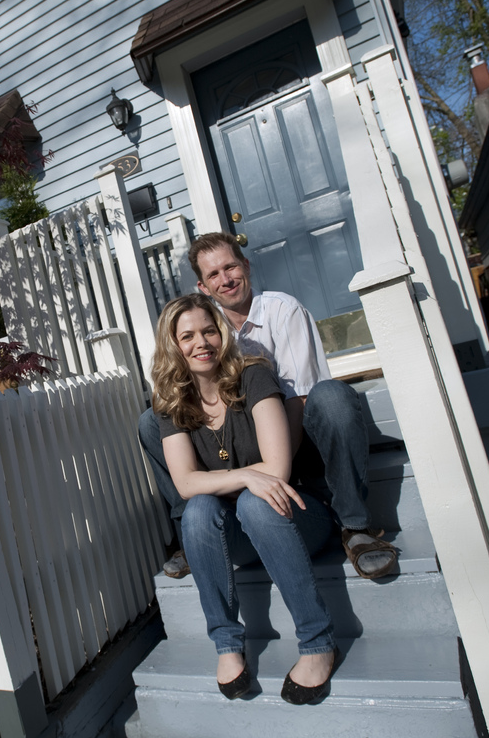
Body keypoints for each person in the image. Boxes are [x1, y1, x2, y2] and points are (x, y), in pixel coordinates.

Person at [139, 232, 397, 580]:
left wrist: (274, 467)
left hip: (301, 437)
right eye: (213, 274)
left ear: (246, 265)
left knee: (332, 397)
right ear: (202, 286)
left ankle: (354, 526)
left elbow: (300, 399)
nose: (225, 279)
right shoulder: (205, 325)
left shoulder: (282, 309)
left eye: (231, 267)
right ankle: (195, 530)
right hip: (239, 449)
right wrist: (243, 474)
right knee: (152, 421)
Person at [152, 294, 337, 703]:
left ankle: (318, 642)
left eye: (209, 330)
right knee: (198, 511)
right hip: (239, 534)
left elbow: (278, 470)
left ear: (223, 333)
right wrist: (245, 476)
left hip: (297, 517)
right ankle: (227, 644)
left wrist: (230, 481)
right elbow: (185, 484)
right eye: (187, 336)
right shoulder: (172, 403)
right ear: (173, 346)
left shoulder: (252, 377)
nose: (201, 342)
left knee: (255, 502)